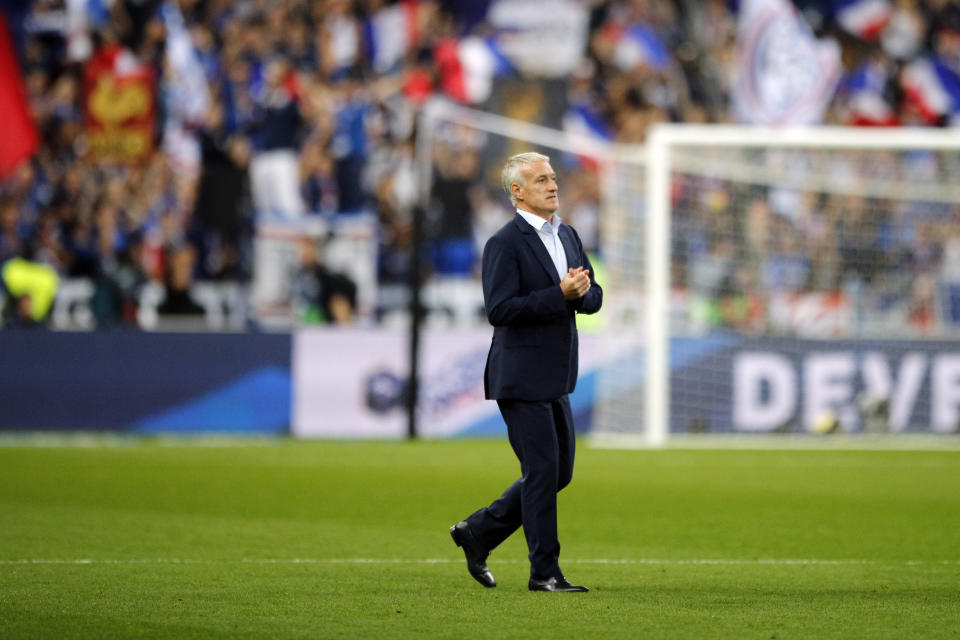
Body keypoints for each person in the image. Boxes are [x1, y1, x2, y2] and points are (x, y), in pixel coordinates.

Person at [450, 152, 602, 592]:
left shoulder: (568, 234)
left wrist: (582, 294)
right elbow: (499, 309)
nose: (552, 185)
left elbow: (591, 295)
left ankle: (478, 531)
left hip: (556, 374)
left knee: (559, 474)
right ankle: (545, 572)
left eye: (553, 178)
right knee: (541, 471)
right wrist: (558, 294)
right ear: (517, 191)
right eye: (540, 180)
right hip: (519, 374)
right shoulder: (505, 242)